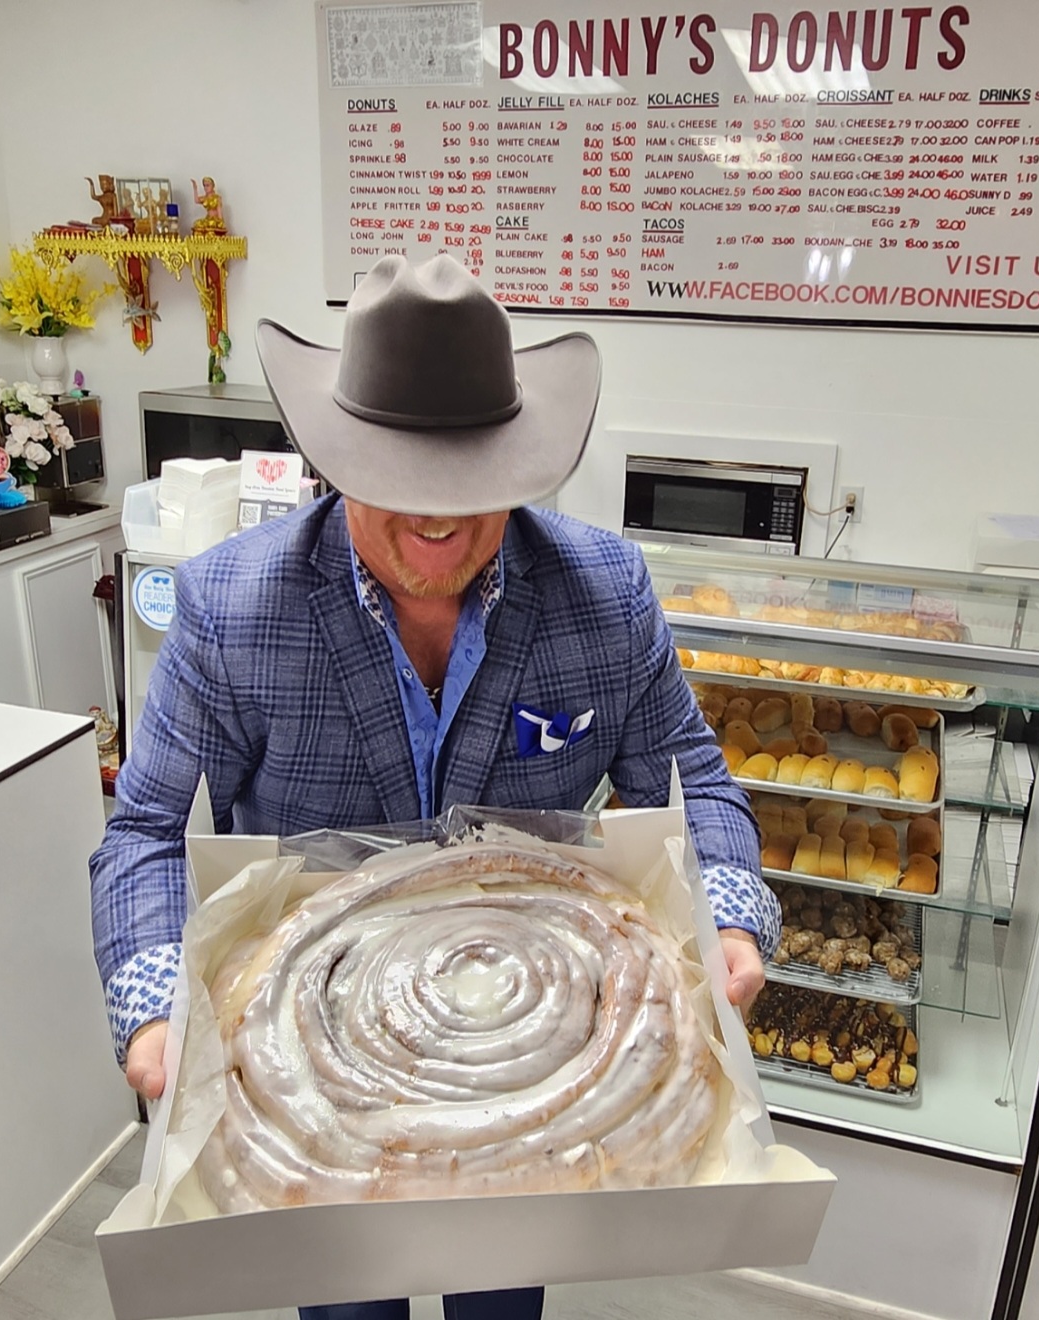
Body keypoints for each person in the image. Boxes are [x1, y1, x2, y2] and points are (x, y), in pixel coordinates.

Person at [90, 254, 779, 1320]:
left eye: (470, 484)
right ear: (332, 459)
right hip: (309, 1073)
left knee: (498, 1306)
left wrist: (729, 916)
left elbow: (696, 780)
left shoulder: (606, 595)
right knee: (347, 1309)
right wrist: (149, 1012)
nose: (439, 522)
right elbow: (141, 828)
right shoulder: (231, 608)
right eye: (401, 481)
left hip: (531, 1071)